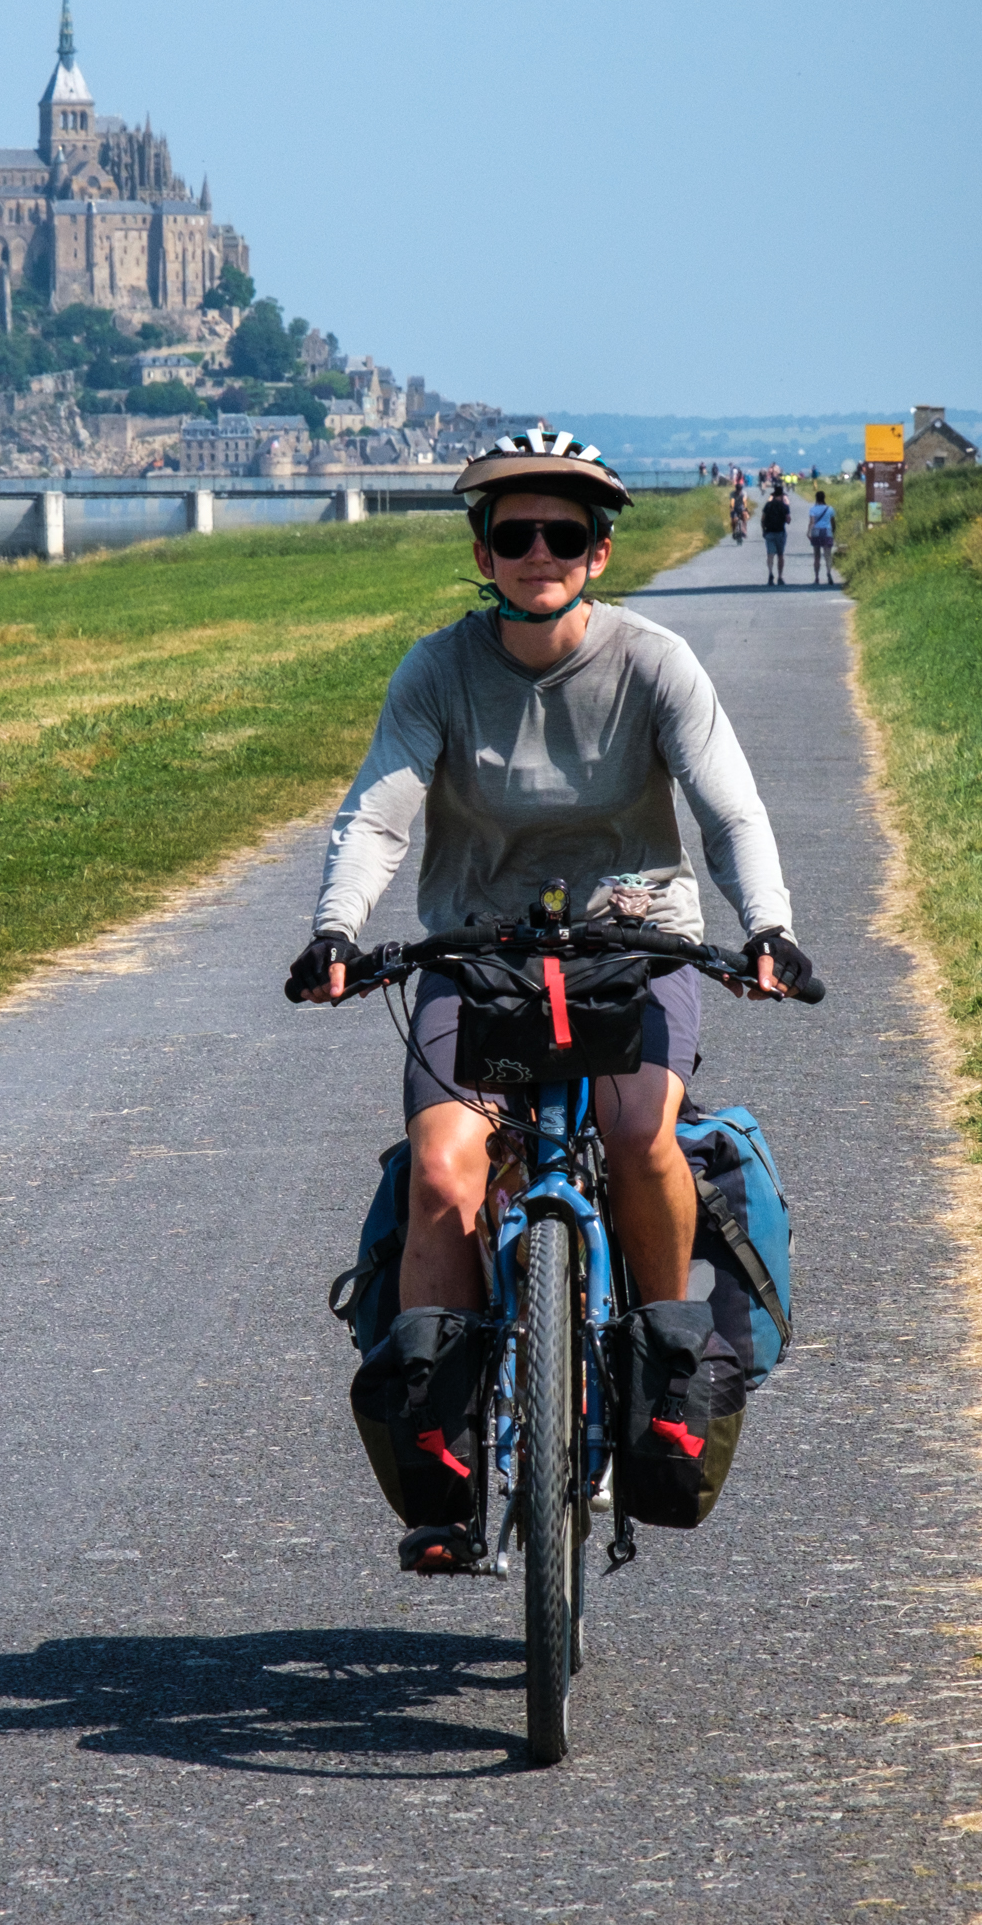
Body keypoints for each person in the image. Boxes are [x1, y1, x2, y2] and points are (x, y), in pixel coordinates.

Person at [290, 435, 813, 1566]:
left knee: (640, 1134)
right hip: (478, 949)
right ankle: (443, 1449)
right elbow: (379, 813)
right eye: (515, 533)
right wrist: (338, 927)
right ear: (482, 550)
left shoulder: (654, 662)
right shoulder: (437, 670)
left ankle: (666, 1380)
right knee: (442, 1166)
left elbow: (729, 811)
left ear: (598, 550)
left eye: (562, 535)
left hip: (635, 946)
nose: (539, 552)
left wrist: (766, 922)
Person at [758, 483, 792, 584]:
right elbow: (788, 520)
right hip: (780, 531)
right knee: (780, 555)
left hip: (769, 532)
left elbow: (762, 519)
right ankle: (780, 576)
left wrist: (763, 530)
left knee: (770, 555)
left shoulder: (768, 505)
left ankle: (770, 574)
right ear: (781, 495)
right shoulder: (784, 506)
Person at [807, 492, 839, 587]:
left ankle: (817, 577)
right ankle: (828, 572)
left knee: (817, 556)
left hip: (816, 531)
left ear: (816, 498)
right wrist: (833, 531)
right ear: (824, 498)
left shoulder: (813, 509)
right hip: (827, 531)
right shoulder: (830, 509)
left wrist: (809, 532)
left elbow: (812, 522)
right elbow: (833, 522)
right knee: (827, 554)